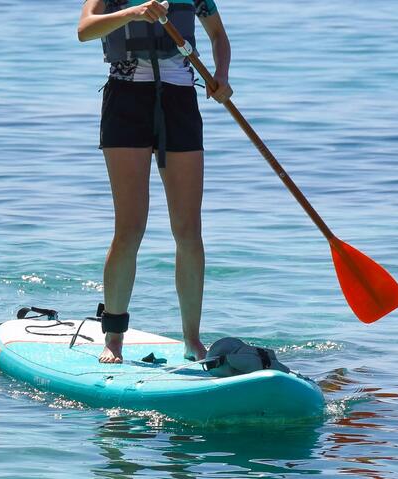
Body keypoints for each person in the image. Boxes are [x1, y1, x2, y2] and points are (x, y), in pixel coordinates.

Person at [77, 0, 231, 363]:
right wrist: (131, 13)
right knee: (130, 228)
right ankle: (113, 338)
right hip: (125, 102)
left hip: (180, 101)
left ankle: (192, 340)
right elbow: (85, 30)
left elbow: (218, 35)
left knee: (189, 229)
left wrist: (221, 74)